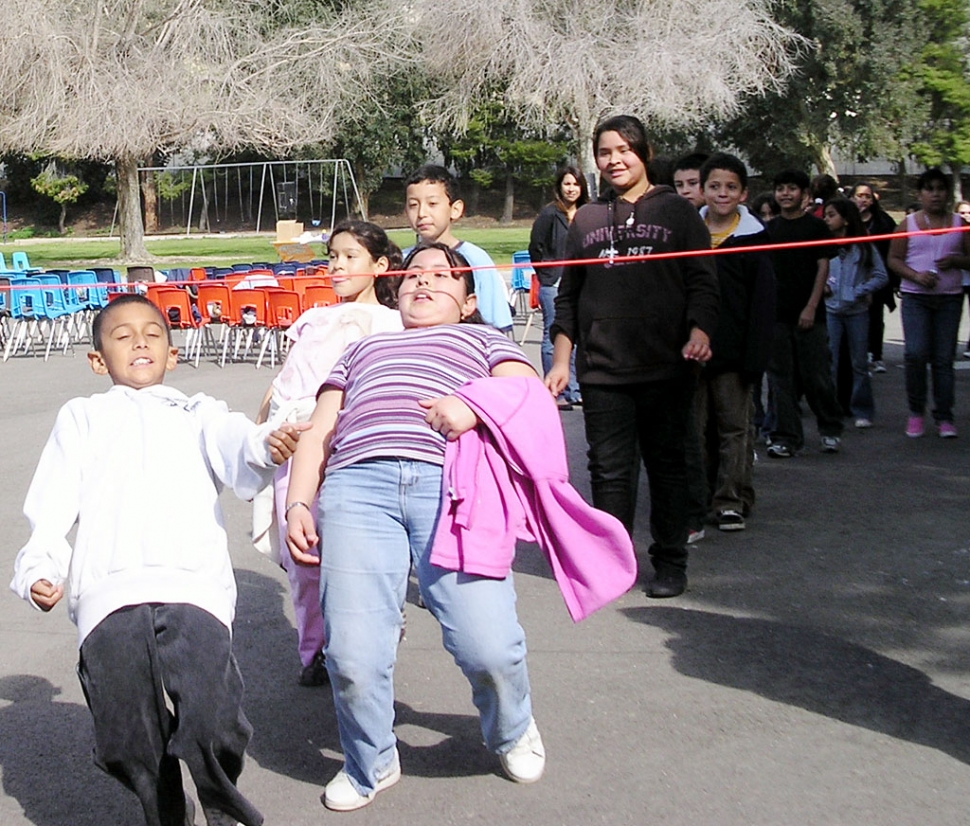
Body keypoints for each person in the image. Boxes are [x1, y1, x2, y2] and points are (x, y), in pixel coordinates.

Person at [9, 295, 308, 826]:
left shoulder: (197, 411)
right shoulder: (82, 416)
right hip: (108, 600)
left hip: (193, 589)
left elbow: (239, 440)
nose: (140, 341)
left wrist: (267, 443)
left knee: (214, 720)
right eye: (122, 336)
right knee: (128, 738)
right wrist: (40, 568)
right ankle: (165, 812)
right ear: (98, 360)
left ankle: (224, 808)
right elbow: (51, 505)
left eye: (153, 333)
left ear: (172, 354)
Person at [284, 243, 544, 812]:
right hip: (356, 490)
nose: (424, 282)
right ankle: (370, 760)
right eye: (414, 274)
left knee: (488, 646)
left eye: (442, 275)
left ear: (470, 300)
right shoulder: (363, 349)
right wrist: (299, 503)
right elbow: (319, 431)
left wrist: (472, 408)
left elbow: (528, 392)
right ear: (395, 289)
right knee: (351, 655)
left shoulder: (485, 340)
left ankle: (511, 728)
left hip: (451, 485)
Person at [546, 114, 720, 599]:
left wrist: (699, 331)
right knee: (609, 472)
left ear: (643, 152)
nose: (614, 159)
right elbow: (570, 297)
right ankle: (614, 564)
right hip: (603, 371)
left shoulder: (679, 213)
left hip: (666, 365)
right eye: (605, 152)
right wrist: (561, 361)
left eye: (623, 149)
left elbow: (703, 283)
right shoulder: (587, 219)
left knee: (667, 466)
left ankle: (670, 561)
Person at [252, 220, 404, 688]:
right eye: (333, 256)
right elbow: (281, 384)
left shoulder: (393, 325)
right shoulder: (313, 319)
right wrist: (260, 435)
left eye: (350, 257)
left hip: (351, 447)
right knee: (304, 556)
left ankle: (369, 639)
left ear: (379, 266)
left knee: (357, 553)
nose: (337, 265)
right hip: (295, 446)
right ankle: (314, 647)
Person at [694, 152, 775, 532]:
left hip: (735, 352)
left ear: (743, 194)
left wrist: (755, 357)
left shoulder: (754, 239)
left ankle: (731, 498)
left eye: (730, 187)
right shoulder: (689, 234)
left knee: (734, 428)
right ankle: (700, 495)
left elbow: (762, 305)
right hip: (692, 352)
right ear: (703, 190)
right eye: (714, 186)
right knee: (697, 428)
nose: (721, 194)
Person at [764, 168, 844, 457]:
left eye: (791, 188)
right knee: (780, 380)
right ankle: (786, 437)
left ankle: (830, 428)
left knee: (817, 377)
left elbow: (823, 267)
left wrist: (811, 306)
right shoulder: (770, 230)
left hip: (811, 315)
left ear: (805, 195)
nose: (785, 194)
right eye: (780, 188)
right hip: (776, 316)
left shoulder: (816, 228)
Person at [887, 167, 970, 438]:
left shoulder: (960, 224)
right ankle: (915, 411)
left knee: (944, 359)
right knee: (915, 354)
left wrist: (957, 261)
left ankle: (945, 416)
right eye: (929, 189)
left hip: (949, 298)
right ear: (920, 194)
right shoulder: (908, 224)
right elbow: (894, 260)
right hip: (916, 298)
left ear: (947, 193)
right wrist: (915, 276)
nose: (935, 194)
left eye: (940, 189)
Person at [403, 164, 513, 331]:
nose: (421, 213)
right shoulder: (400, 260)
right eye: (413, 205)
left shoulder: (476, 259)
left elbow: (496, 324)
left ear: (455, 209)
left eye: (432, 203)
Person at [821, 197, 889, 429]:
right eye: (826, 215)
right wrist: (823, 286)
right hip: (831, 310)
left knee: (859, 362)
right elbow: (813, 271)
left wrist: (859, 291)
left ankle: (862, 409)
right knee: (830, 360)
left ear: (846, 219)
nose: (827, 219)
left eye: (831, 215)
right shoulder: (823, 244)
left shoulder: (863, 245)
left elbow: (881, 276)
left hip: (857, 311)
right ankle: (831, 409)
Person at [528, 165, 589, 409]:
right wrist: (547, 274)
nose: (571, 188)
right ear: (559, 187)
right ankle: (556, 391)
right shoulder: (549, 214)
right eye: (567, 183)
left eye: (575, 184)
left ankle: (574, 388)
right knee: (553, 335)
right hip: (554, 282)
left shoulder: (587, 213)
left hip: (582, 281)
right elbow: (536, 247)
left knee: (576, 336)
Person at [849, 182, 897, 373]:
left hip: (876, 276)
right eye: (859, 195)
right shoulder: (846, 219)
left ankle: (876, 354)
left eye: (867, 196)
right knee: (856, 316)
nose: (864, 199)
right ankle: (859, 353)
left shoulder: (883, 221)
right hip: (853, 274)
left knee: (876, 316)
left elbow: (891, 248)